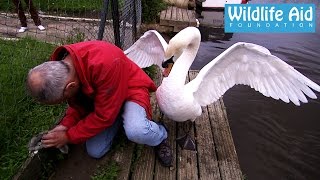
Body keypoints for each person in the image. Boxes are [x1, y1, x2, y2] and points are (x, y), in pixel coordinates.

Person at [26, 40, 173, 167]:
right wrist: (65, 125)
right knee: (95, 150)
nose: (64, 102)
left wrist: (68, 136)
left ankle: (160, 136)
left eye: (62, 100)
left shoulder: (105, 63)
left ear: (70, 87)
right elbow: (77, 104)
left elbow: (103, 116)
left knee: (137, 130)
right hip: (107, 101)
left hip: (130, 90)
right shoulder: (64, 69)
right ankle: (123, 118)